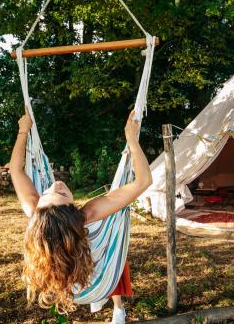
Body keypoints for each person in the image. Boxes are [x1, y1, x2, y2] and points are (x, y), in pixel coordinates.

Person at [10, 110, 151, 324]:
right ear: (73, 211)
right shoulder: (88, 214)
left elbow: (15, 171)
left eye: (48, 192)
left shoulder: (36, 213)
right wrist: (131, 138)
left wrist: (23, 130)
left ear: (40, 204)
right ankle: (109, 300)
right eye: (62, 194)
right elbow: (143, 182)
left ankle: (108, 301)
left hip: (73, 285)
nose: (55, 185)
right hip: (94, 281)